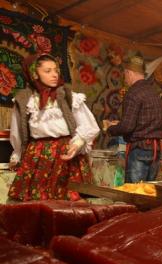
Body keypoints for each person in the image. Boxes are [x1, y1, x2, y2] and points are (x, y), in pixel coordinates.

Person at [8, 54, 100, 201]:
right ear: (34, 74)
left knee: (71, 202)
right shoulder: (24, 100)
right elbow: (17, 132)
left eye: (56, 70)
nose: (54, 75)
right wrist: (18, 154)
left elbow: (90, 125)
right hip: (38, 158)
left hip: (67, 154)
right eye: (48, 71)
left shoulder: (68, 95)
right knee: (38, 202)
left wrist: (77, 144)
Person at [105, 55, 162, 183]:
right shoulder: (154, 93)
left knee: (134, 194)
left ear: (129, 73)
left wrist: (111, 129)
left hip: (139, 150)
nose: (125, 78)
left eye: (125, 74)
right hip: (155, 151)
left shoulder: (133, 93)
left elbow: (127, 126)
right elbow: (143, 121)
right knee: (149, 194)